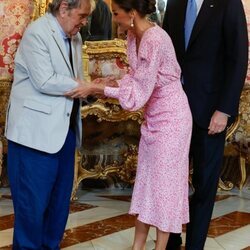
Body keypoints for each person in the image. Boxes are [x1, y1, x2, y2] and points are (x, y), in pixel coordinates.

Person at [65, 0, 193, 249]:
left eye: (116, 13)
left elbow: (139, 92)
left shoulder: (156, 39)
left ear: (132, 13)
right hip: (154, 115)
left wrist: (98, 88)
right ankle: (137, 246)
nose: (113, 19)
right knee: (146, 182)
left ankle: (160, 247)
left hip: (172, 118)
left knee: (165, 187)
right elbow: (136, 78)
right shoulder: (134, 35)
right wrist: (111, 82)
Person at [5, 0, 94, 248]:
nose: (85, 22)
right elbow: (45, 81)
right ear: (64, 8)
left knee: (58, 207)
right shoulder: (37, 33)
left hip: (64, 133)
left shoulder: (75, 38)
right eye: (82, 15)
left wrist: (93, 88)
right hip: (34, 136)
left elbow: (76, 80)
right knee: (32, 209)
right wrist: (87, 86)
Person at [162, 0, 249, 249]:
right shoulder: (176, 4)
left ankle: (194, 246)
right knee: (172, 184)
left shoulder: (227, 3)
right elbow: (168, 55)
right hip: (173, 110)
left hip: (210, 113)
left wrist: (224, 110)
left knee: (204, 186)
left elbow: (238, 59)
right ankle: (171, 241)